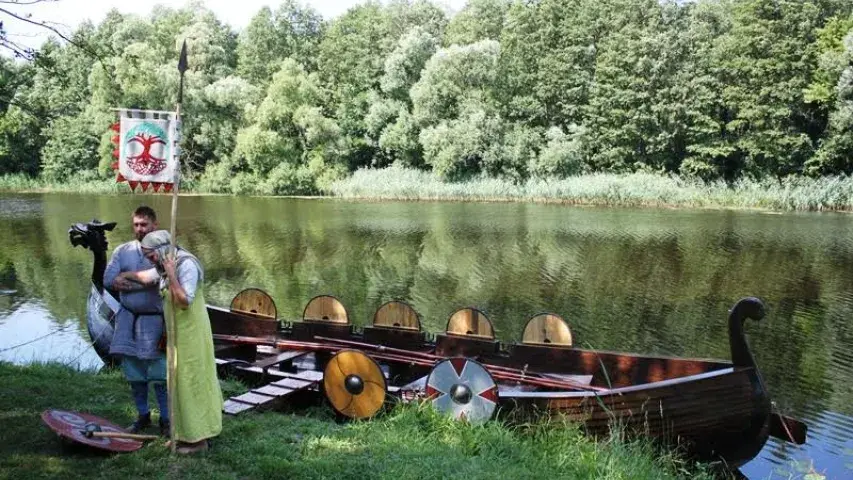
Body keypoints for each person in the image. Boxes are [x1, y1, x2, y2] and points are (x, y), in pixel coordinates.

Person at [121, 229, 222, 454]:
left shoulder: (185, 265)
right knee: (178, 382)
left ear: (162, 249)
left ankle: (200, 440)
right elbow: (148, 276)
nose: (149, 259)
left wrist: (171, 274)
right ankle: (184, 435)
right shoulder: (164, 263)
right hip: (177, 334)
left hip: (192, 333)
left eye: (150, 255)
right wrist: (126, 276)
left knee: (192, 381)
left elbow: (184, 301)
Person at [103, 205, 169, 436]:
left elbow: (157, 281)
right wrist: (134, 283)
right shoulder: (122, 251)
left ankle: (166, 419)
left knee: (160, 375)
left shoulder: (164, 252)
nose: (140, 229)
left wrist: (130, 281)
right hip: (128, 319)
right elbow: (109, 279)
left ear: (154, 225)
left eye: (144, 224)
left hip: (155, 321)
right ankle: (142, 416)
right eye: (136, 224)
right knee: (134, 374)